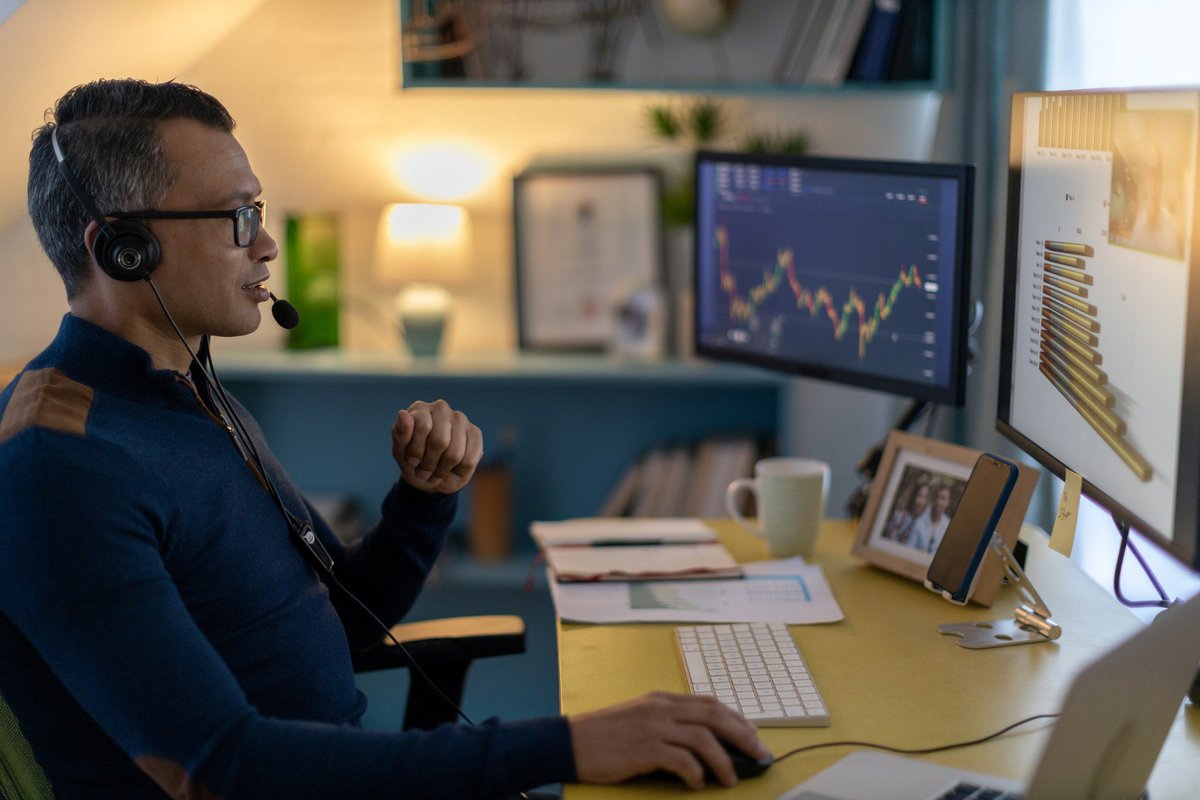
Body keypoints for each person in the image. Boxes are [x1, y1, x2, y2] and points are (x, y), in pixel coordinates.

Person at [0, 78, 767, 799]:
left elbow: (346, 620)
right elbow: (225, 768)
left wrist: (423, 500)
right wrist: (566, 747)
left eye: (258, 210)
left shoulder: (187, 389)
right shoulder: (60, 463)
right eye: (238, 217)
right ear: (122, 249)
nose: (266, 245)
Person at [909, 482, 954, 554]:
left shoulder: (949, 525)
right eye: (937, 497)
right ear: (933, 499)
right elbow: (908, 549)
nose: (939, 502)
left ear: (948, 502)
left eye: (943, 498)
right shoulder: (919, 521)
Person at [882, 477, 929, 544]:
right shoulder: (900, 516)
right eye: (919, 496)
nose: (921, 502)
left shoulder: (924, 521)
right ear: (913, 497)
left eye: (925, 497)